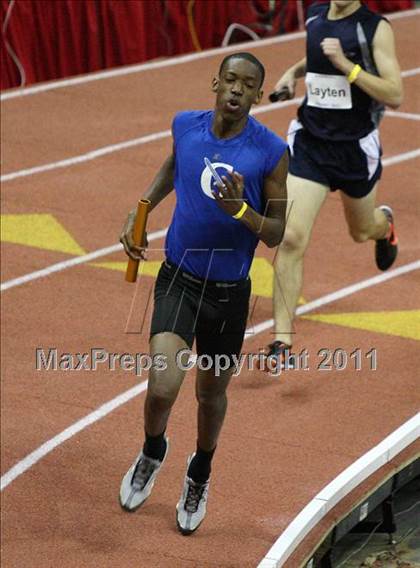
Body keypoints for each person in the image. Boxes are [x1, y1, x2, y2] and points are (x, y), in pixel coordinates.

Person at [119, 52, 288, 534]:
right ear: (216, 82)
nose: (236, 89)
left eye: (247, 84)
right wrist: (143, 208)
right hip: (179, 279)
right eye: (229, 79)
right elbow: (175, 166)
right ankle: (153, 451)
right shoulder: (184, 126)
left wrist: (241, 211)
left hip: (229, 293)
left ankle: (200, 472)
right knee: (162, 385)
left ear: (259, 94)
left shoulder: (272, 153)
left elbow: (275, 232)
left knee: (210, 394)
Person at [264, 0, 402, 368]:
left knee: (360, 230)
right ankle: (282, 340)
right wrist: (291, 74)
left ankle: (384, 227)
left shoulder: (374, 28)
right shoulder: (315, 16)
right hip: (311, 142)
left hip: (355, 149)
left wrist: (348, 67)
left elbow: (395, 93)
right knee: (291, 236)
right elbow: (315, 60)